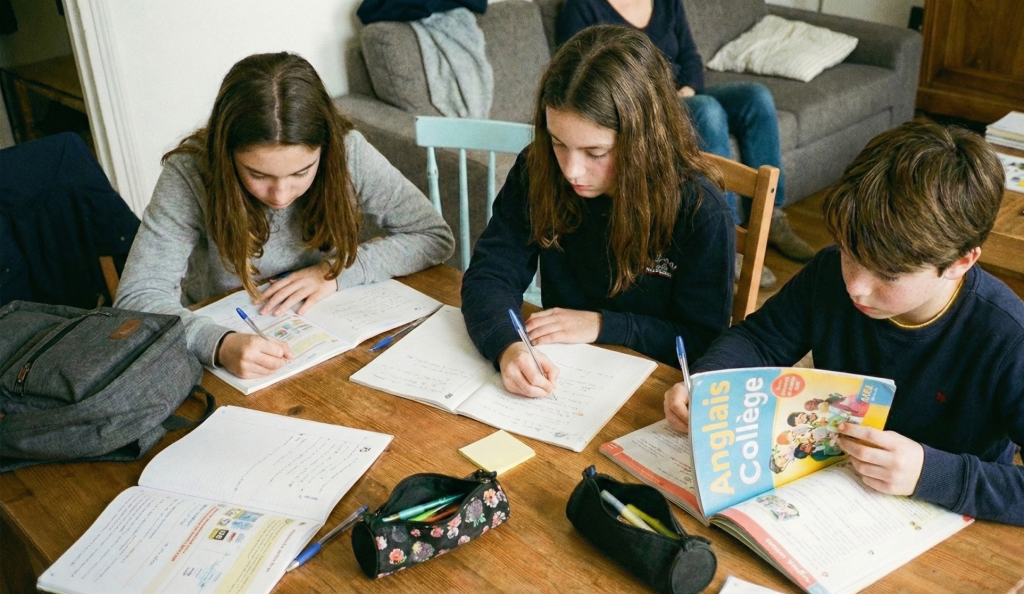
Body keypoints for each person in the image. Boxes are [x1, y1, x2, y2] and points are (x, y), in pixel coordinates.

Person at [662, 121, 1024, 526]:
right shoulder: (828, 274)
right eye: (850, 253)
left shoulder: (1009, 338)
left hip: (950, 524)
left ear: (960, 262)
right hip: (828, 496)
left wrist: (931, 474)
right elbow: (759, 339)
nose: (856, 287)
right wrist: (709, 383)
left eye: (888, 276)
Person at [115, 52, 454, 379]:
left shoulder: (348, 151)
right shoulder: (190, 171)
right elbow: (137, 295)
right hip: (222, 335)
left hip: (328, 334)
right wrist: (219, 343)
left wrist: (333, 274)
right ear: (226, 153)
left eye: (301, 173)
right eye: (258, 175)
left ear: (325, 148)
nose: (280, 196)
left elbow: (433, 236)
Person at [461, 25, 735, 398]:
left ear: (642, 142)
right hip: (563, 376)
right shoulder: (539, 168)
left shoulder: (700, 212)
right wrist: (506, 346)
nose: (571, 171)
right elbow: (491, 273)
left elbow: (702, 341)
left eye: (595, 153)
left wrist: (605, 326)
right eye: (558, 143)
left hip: (652, 391)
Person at [557, 0, 818, 288]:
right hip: (640, 107)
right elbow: (581, 74)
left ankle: (771, 217)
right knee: (707, 111)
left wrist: (689, 89)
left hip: (681, 94)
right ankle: (728, 240)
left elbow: (690, 55)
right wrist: (663, 102)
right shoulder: (583, 7)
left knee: (756, 97)